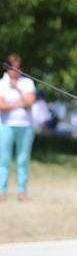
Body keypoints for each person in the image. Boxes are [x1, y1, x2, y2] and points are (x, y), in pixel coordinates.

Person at [0, 55, 37, 202]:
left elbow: (30, 101)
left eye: (18, 67)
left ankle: (22, 191)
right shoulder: (2, 83)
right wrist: (21, 103)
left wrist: (17, 88)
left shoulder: (27, 83)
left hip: (26, 125)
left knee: (23, 159)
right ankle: (1, 191)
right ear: (7, 68)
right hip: (6, 125)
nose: (15, 71)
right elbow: (1, 107)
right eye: (12, 67)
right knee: (3, 159)